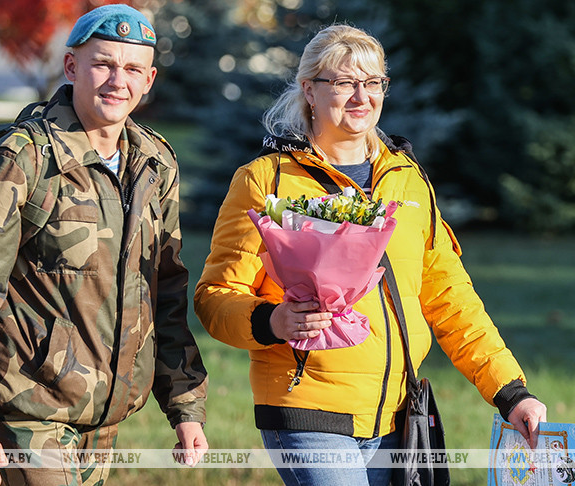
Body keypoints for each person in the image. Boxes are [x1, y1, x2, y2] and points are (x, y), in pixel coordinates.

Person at [194, 24, 546, 485]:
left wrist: (510, 392)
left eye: (373, 82)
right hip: (307, 408)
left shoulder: (409, 179)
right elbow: (215, 296)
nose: (361, 96)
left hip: (398, 418)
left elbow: (451, 298)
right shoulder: (265, 180)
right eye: (343, 83)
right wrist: (272, 321)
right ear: (309, 91)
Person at [0, 5, 208, 486]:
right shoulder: (25, 159)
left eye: (133, 69)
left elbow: (163, 291)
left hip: (104, 416)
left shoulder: (155, 163)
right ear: (72, 66)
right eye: (104, 64)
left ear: (150, 79)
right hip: (26, 407)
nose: (118, 80)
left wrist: (185, 405)